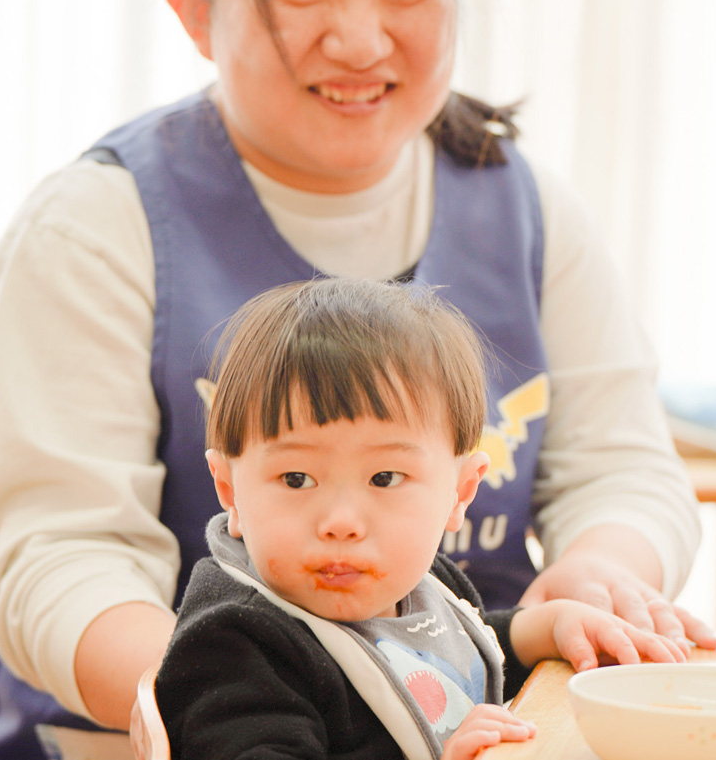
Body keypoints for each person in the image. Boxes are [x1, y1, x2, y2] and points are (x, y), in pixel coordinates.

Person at [0, 0, 714, 757]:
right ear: (195, 10)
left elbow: (623, 467)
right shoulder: (95, 227)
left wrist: (598, 572)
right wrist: (215, 698)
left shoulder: (530, 210)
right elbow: (62, 553)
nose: (359, 36)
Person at [157, 277, 686, 760]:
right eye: (296, 479)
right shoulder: (232, 643)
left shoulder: (418, 580)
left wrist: (551, 625)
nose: (341, 522)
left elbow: (447, 656)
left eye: (385, 478)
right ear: (229, 489)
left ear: (460, 492)